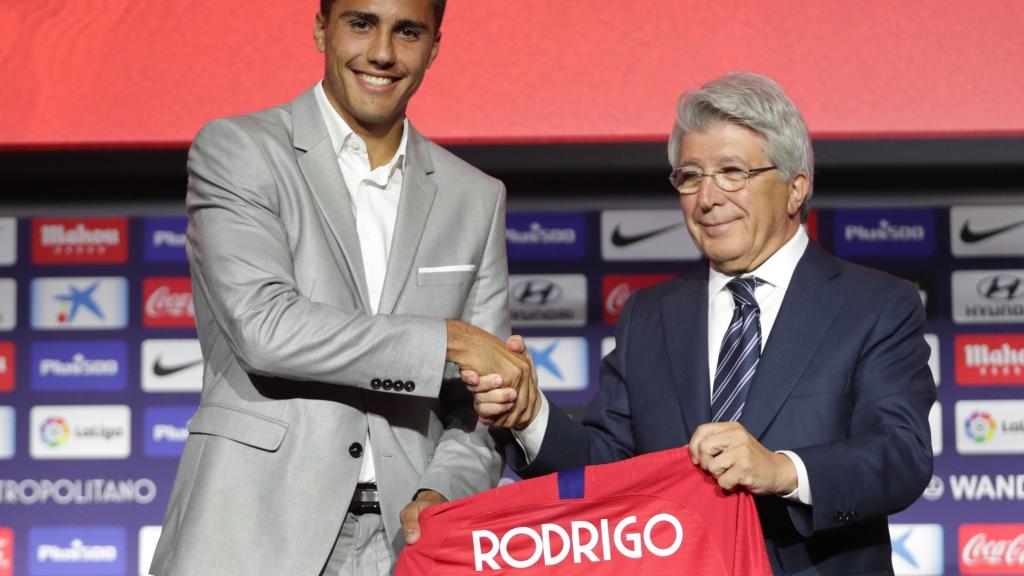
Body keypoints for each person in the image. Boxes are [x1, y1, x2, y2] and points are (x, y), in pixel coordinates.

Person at [467, 72, 936, 575]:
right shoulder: (650, 314)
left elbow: (899, 455)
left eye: (732, 172)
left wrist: (781, 470)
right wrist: (531, 417)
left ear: (795, 188)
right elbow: (609, 467)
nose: (706, 198)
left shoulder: (876, 304)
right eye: (690, 176)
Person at [150, 0, 535, 574]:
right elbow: (267, 329)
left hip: (407, 542)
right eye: (361, 23)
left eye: (406, 31)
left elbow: (476, 405)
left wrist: (443, 493)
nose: (381, 52)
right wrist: (450, 341)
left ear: (433, 47)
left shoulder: (475, 196)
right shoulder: (239, 149)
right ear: (320, 29)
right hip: (251, 528)